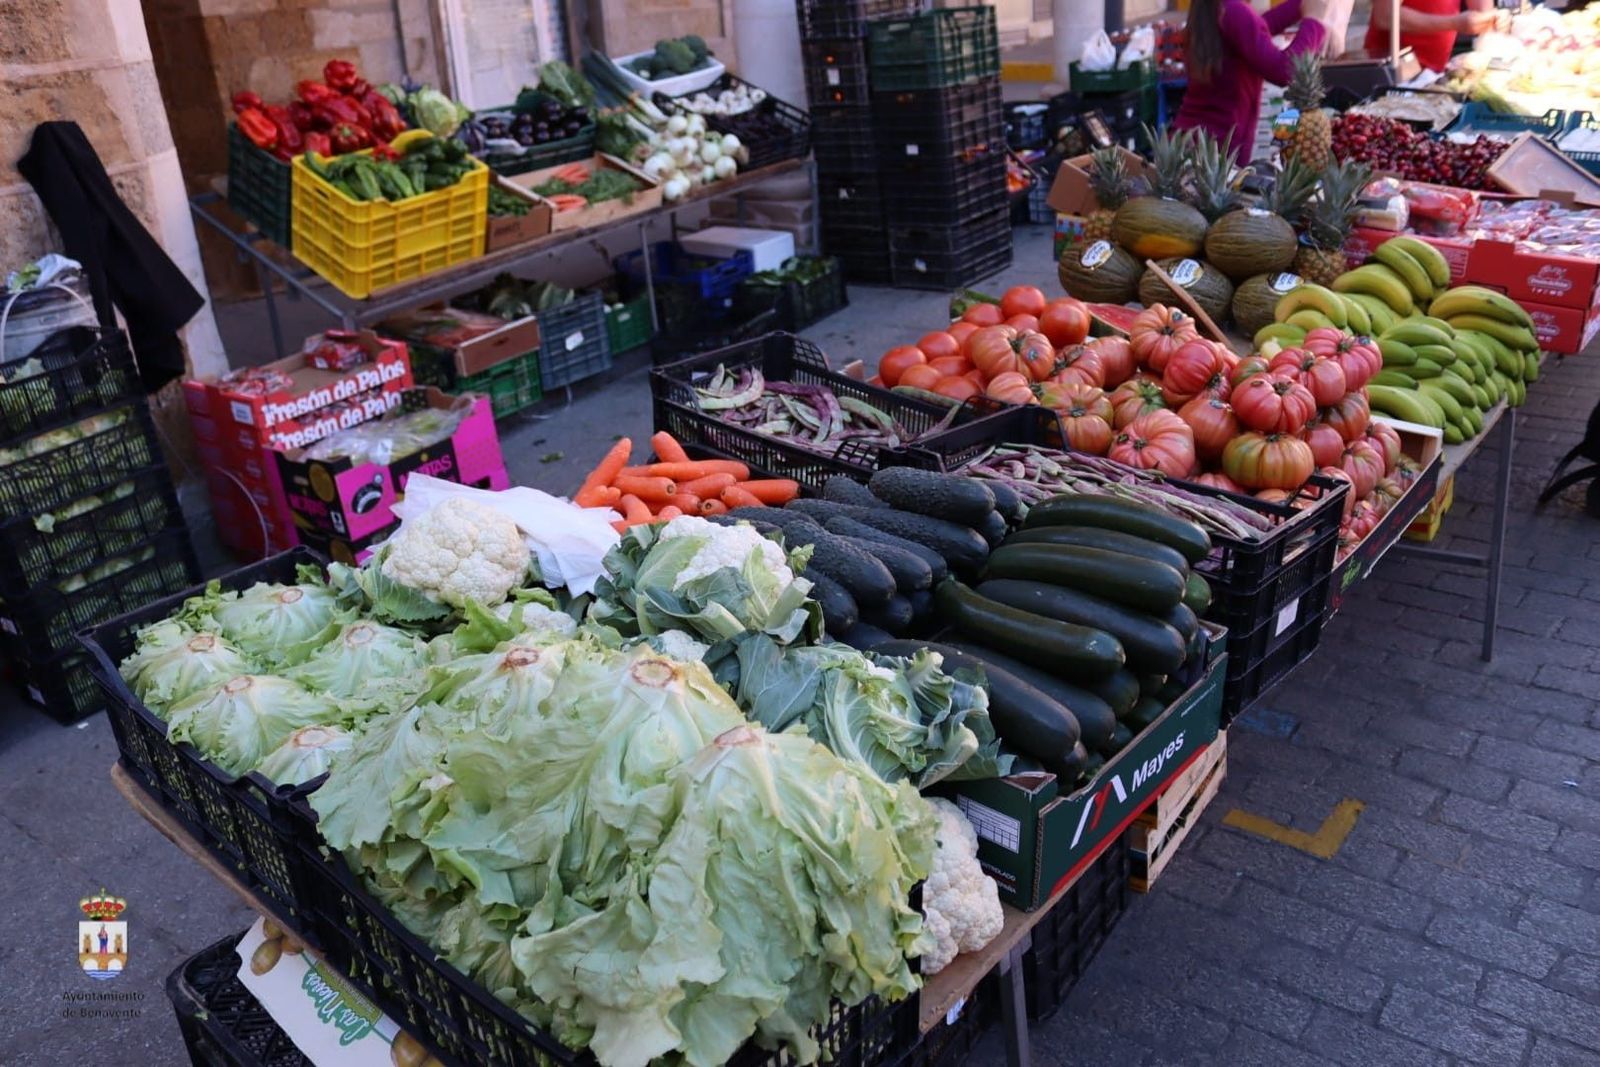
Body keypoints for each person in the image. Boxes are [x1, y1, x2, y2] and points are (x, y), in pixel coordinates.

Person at [1174, 0, 1330, 164]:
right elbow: (1284, 71)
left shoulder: (1219, 7)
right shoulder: (1234, 10)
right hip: (1216, 155)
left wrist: (1303, 4)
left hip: (1197, 141)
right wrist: (1314, 22)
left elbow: (1259, 28)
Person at [1364, 0, 1507, 72]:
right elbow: (1385, 16)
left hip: (1435, 73)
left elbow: (1483, 10)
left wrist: (1496, 19)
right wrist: (1453, 23)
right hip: (1392, 72)